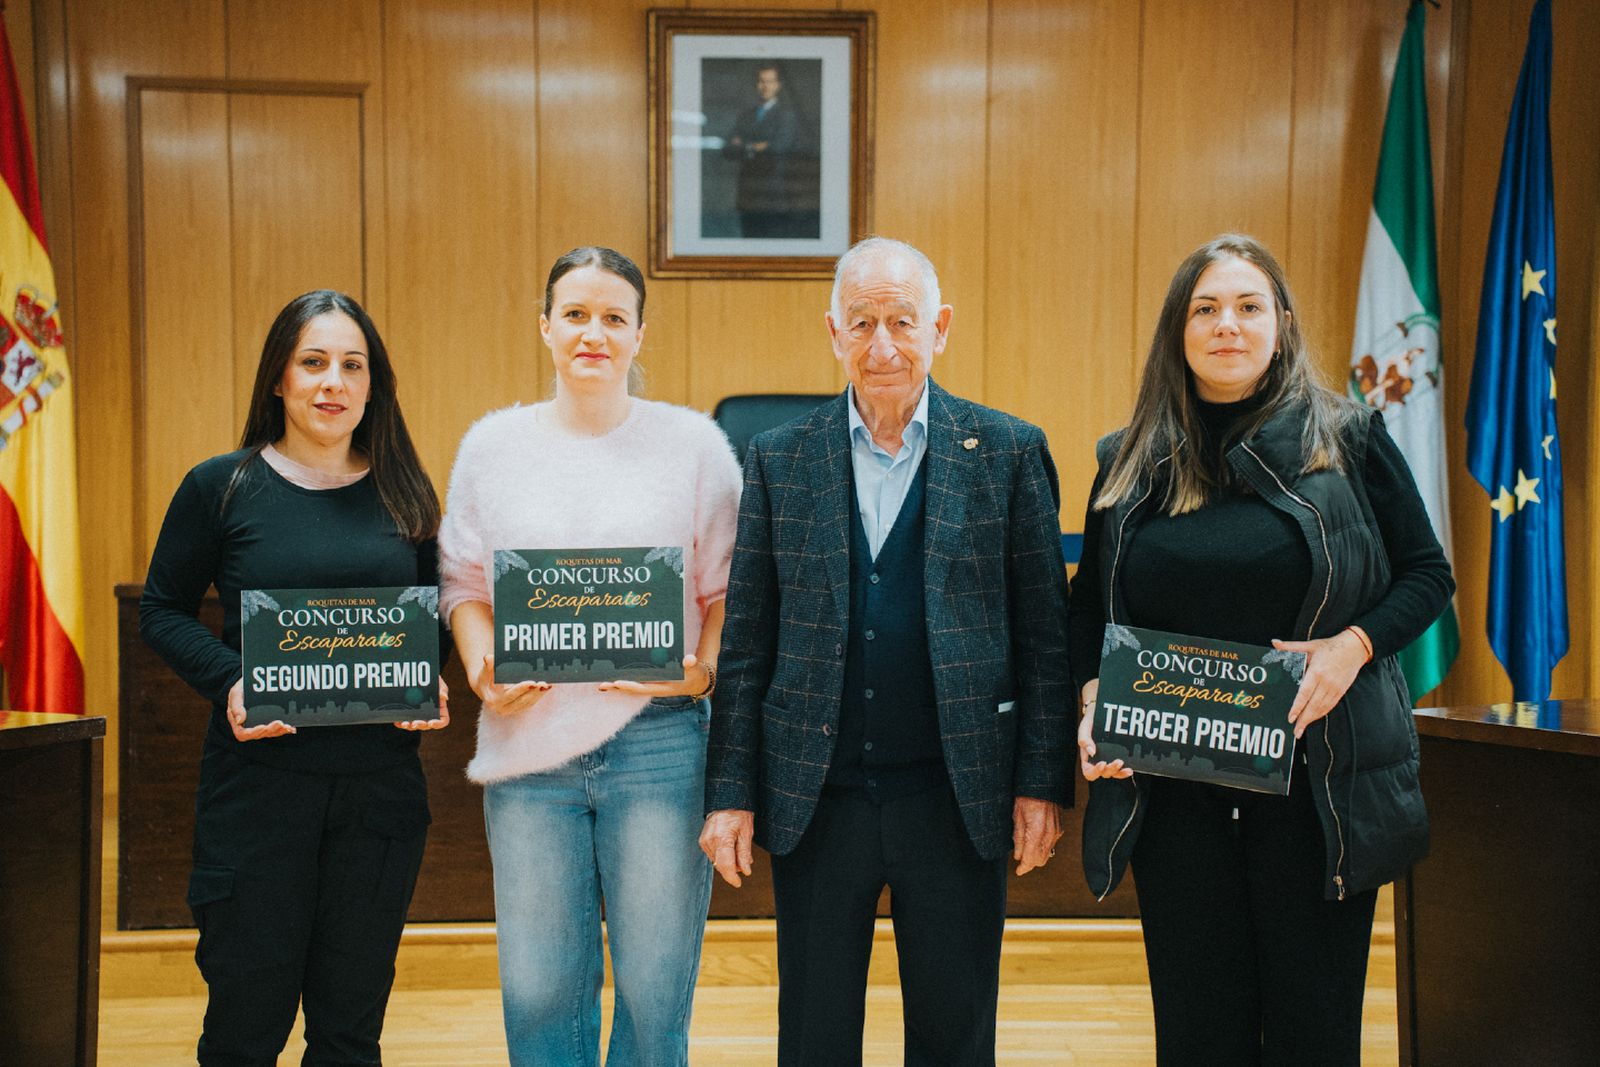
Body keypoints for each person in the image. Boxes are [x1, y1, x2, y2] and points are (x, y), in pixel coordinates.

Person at [1071, 234, 1455, 1066]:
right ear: (1179, 330)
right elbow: (1087, 619)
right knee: (1198, 1029)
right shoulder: (1125, 459)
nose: (1227, 325)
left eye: (1248, 306)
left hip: (1320, 790)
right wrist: (1092, 703)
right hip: (1175, 796)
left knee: (1313, 1033)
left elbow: (1427, 575)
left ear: (1280, 322)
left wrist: (1351, 647)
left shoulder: (1349, 437)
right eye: (1205, 308)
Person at [702, 236, 1072, 1066]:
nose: (882, 346)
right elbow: (749, 641)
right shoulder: (777, 459)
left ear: (939, 328)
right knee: (814, 1038)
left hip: (956, 794)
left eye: (902, 321)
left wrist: (1040, 781)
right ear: (833, 332)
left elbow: (1046, 637)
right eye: (861, 322)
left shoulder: (1008, 452)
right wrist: (729, 790)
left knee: (954, 1035)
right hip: (818, 797)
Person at [438, 246, 741, 1067]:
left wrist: (700, 670)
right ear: (545, 327)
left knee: (653, 989)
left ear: (640, 334)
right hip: (530, 747)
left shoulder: (696, 446)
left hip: (661, 744)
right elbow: (464, 584)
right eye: (575, 314)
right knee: (538, 991)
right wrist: (479, 665)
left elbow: (725, 592)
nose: (593, 333)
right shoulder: (492, 446)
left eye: (614, 317)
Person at [140, 290, 448, 1066]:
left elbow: (439, 614)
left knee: (349, 1030)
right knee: (246, 1023)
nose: (331, 382)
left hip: (378, 795)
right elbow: (163, 610)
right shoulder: (220, 486)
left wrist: (428, 679)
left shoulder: (406, 491)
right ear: (278, 377)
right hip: (258, 793)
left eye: (352, 365)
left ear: (373, 385)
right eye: (312, 362)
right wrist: (232, 681)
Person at [721, 62, 816, 238]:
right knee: (748, 245)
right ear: (756, 84)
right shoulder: (746, 116)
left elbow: (779, 147)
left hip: (773, 196)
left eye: (770, 81)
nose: (765, 86)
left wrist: (744, 144)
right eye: (761, 81)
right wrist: (757, 146)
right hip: (747, 195)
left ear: (778, 85)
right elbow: (728, 150)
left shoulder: (786, 116)